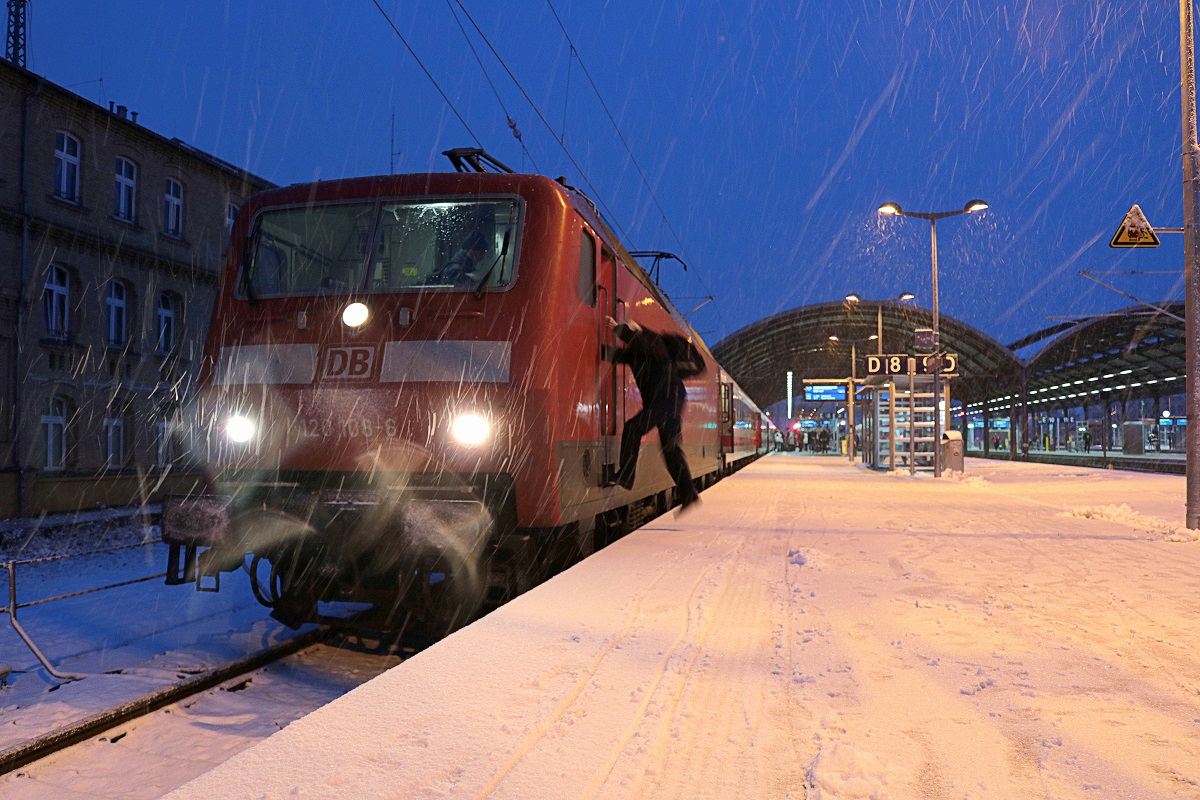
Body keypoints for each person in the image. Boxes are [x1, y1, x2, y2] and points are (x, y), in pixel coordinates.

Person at [605, 317, 703, 513]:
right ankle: (689, 494)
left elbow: (641, 342)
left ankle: (626, 475)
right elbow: (616, 355)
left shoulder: (653, 342)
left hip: (667, 399)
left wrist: (619, 329)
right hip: (670, 398)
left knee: (634, 427)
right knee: (670, 449)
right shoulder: (638, 353)